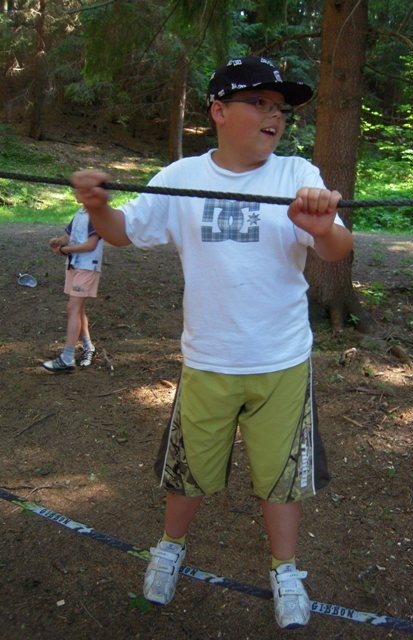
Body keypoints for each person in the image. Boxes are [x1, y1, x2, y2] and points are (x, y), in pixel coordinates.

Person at [71, 55, 353, 629]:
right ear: (219, 111)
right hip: (208, 359)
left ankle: (285, 570)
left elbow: (336, 250)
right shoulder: (181, 177)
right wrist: (97, 205)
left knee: (280, 478)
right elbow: (123, 232)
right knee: (188, 469)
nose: (275, 116)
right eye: (260, 103)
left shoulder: (296, 173)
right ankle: (169, 549)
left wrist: (324, 227)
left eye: (280, 108)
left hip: (281, 360)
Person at [42, 207, 104, 373]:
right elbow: (68, 237)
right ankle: (88, 347)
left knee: (73, 308)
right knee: (78, 309)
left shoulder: (96, 213)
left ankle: (67, 358)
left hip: (87, 267)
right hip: (73, 265)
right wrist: (58, 241)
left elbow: (91, 244)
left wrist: (65, 250)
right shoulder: (80, 212)